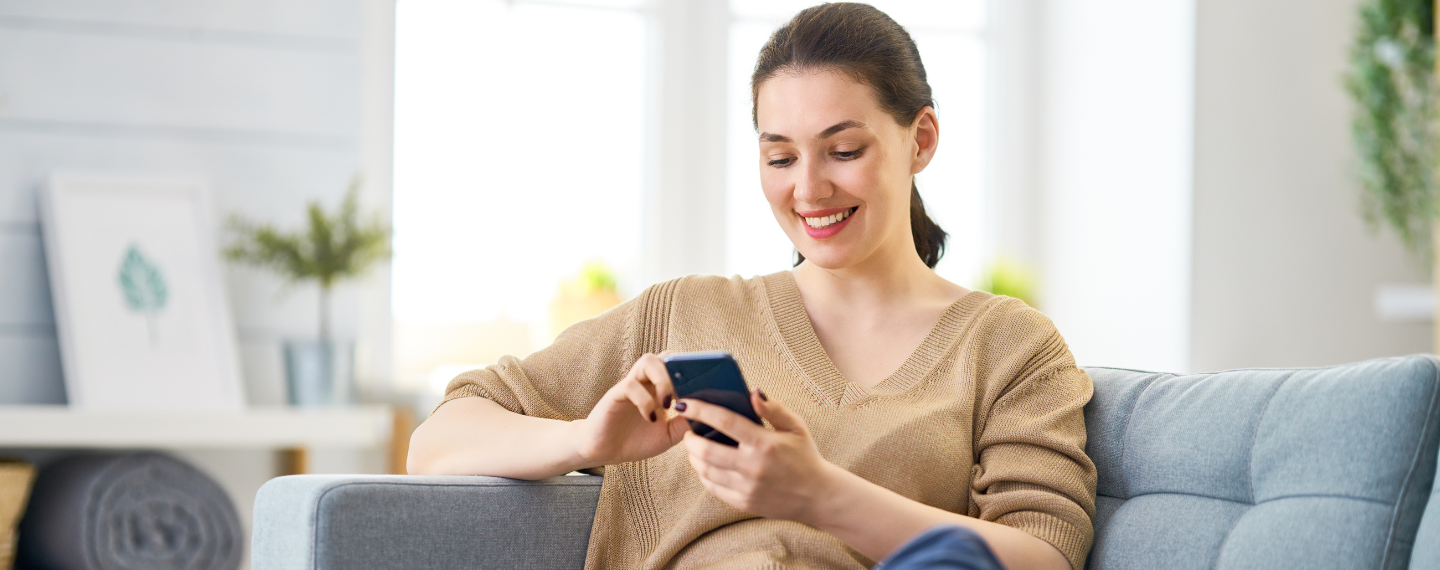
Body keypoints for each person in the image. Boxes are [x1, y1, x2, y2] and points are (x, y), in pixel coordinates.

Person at [407, 3, 1097, 569]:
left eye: (844, 150)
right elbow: (437, 443)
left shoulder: (1010, 346)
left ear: (921, 140)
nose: (808, 188)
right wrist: (588, 441)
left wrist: (817, 493)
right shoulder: (685, 313)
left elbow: (1042, 554)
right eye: (780, 156)